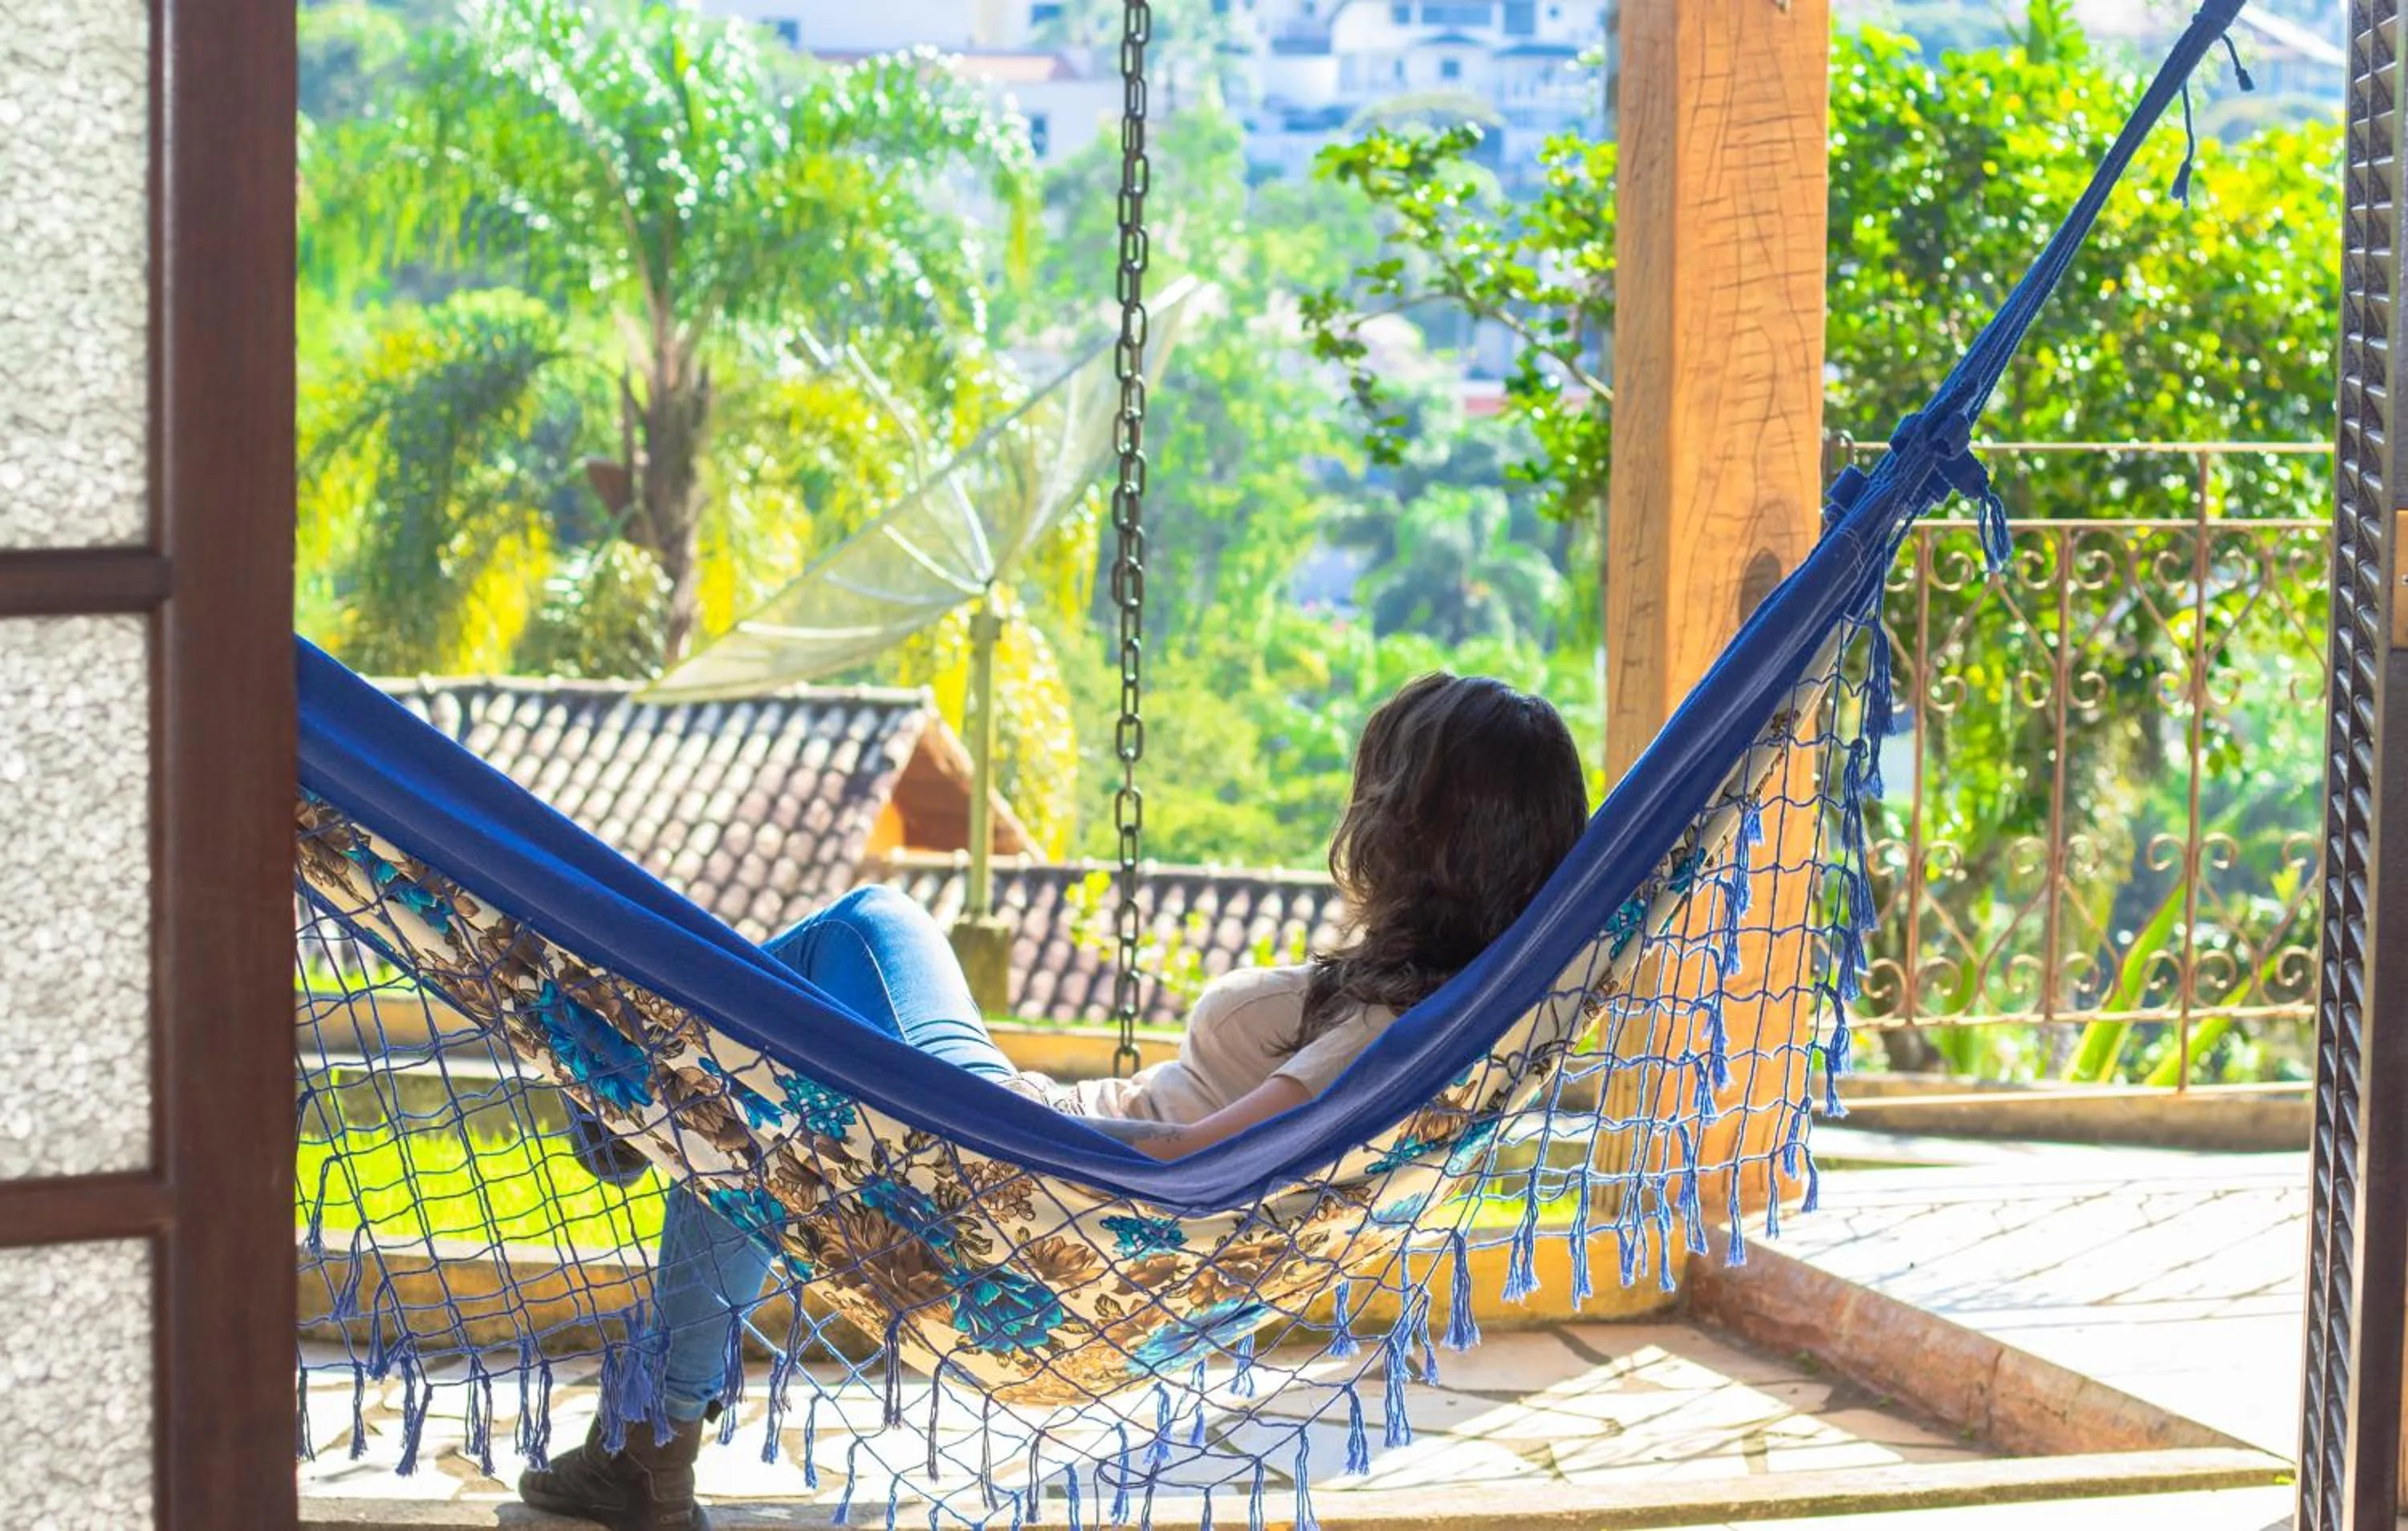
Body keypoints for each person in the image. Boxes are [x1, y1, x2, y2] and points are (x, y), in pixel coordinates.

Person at [517, 672, 1588, 1530]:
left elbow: (1195, 1154)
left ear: (1417, 830)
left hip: (1028, 1170)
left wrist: (1006, 1138)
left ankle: (627, 1116)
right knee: (746, 1088)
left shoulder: (1394, 1027)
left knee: (859, 930)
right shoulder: (1463, 1012)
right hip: (1050, 1197)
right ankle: (645, 1440)